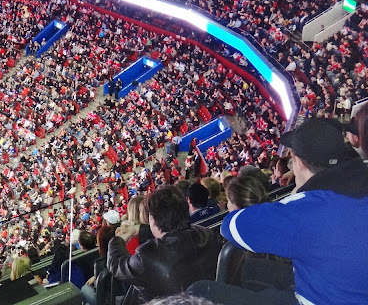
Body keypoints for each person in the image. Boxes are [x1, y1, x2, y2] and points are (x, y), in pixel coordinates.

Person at [218, 118, 368, 304]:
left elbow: (230, 226)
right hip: (347, 285)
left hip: (324, 299)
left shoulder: (302, 212)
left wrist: (298, 195)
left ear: (299, 163)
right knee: (250, 270)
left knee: (199, 288)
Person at [106, 187, 220, 304]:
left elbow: (117, 265)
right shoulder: (205, 233)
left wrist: (118, 239)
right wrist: (140, 230)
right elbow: (173, 233)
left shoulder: (147, 255)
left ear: (152, 219)